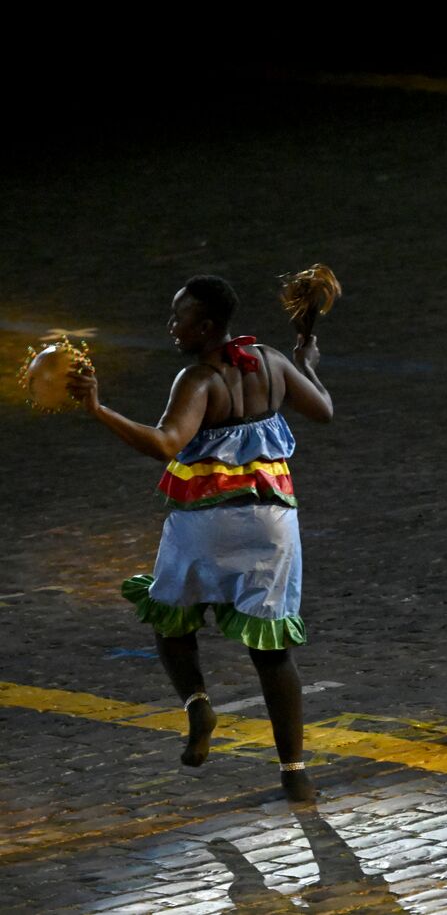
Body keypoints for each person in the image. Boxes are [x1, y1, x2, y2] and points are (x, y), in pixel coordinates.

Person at [67, 275, 333, 801]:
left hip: (204, 522)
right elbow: (322, 409)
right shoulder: (272, 361)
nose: (171, 327)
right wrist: (306, 362)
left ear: (206, 326)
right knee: (272, 650)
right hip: (270, 523)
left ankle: (197, 703)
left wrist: (98, 410)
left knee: (170, 618)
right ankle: (295, 774)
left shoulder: (197, 379)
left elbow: (165, 442)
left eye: (179, 318)